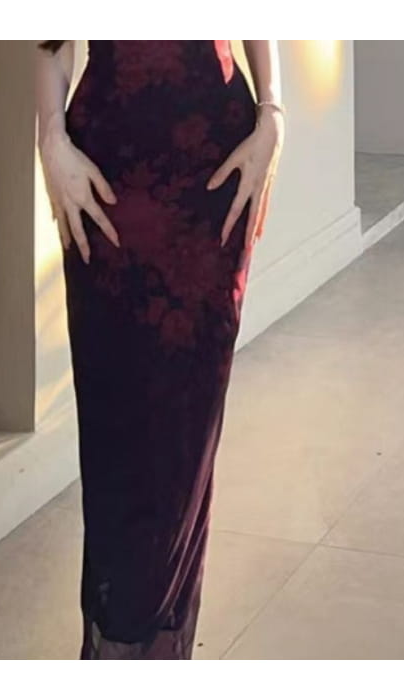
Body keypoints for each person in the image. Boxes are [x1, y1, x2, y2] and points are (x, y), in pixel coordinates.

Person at [35, 39, 284, 660]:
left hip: (216, 169)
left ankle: (157, 649)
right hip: (107, 173)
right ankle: (121, 643)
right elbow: (46, 36)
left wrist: (273, 114)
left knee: (187, 432)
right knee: (115, 423)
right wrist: (51, 141)